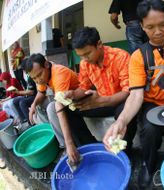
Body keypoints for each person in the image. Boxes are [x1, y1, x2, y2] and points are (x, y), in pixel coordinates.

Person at [103, 0, 164, 188]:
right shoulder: (138, 56)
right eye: (150, 27)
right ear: (141, 26)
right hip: (152, 103)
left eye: (162, 24)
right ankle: (149, 165)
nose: (158, 31)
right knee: (149, 131)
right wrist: (121, 121)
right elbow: (135, 95)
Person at [49, 26, 137, 163]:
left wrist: (102, 101)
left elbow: (128, 92)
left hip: (119, 101)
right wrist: (72, 94)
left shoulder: (120, 57)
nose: (84, 58)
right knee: (67, 109)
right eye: (81, 56)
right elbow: (83, 88)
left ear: (99, 44)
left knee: (125, 111)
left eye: (87, 53)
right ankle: (89, 147)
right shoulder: (85, 63)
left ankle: (123, 154)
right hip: (100, 101)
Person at [25, 53, 97, 162]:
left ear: (46, 65)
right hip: (66, 99)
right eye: (34, 78)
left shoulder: (59, 73)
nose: (38, 80)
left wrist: (69, 144)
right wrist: (33, 105)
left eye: (39, 75)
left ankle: (66, 146)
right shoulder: (43, 75)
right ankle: (54, 136)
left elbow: (60, 107)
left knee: (51, 108)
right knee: (39, 106)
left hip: (81, 96)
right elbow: (41, 92)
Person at [12, 59, 37, 125]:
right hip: (28, 95)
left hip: (35, 96)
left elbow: (31, 92)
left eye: (23, 70)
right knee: (15, 101)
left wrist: (19, 92)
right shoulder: (28, 76)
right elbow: (27, 90)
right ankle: (23, 119)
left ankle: (31, 122)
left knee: (22, 102)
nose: (24, 72)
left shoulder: (31, 76)